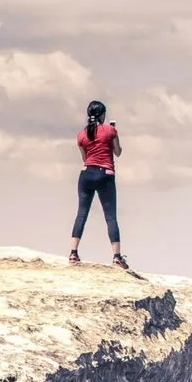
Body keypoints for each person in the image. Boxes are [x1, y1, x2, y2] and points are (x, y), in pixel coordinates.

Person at [69, 100, 129, 269]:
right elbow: (118, 152)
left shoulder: (81, 135)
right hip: (105, 175)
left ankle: (73, 253)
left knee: (81, 213)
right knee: (110, 217)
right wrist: (114, 134)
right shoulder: (110, 130)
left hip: (87, 174)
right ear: (103, 114)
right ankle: (117, 257)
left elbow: (85, 158)